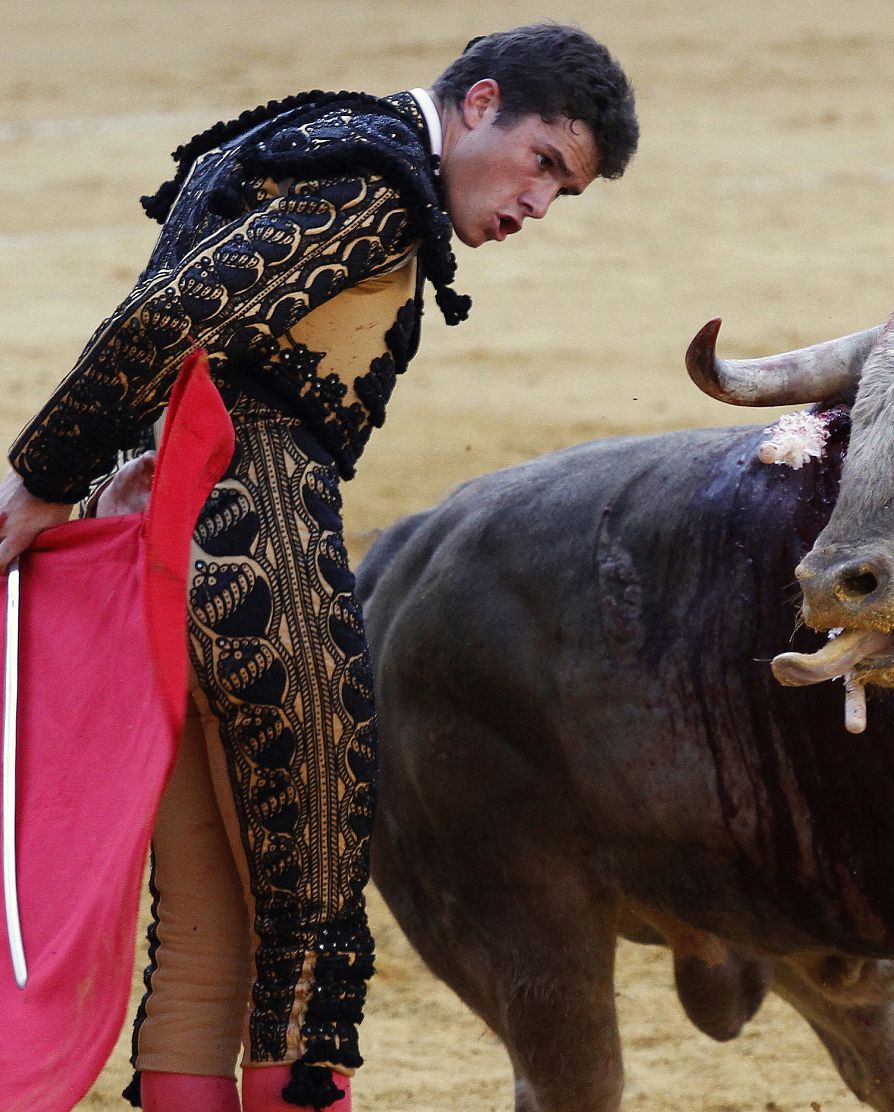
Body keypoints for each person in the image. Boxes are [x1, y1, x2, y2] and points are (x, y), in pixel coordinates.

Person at [0, 23, 638, 1112]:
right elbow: (171, 317)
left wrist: (86, 478)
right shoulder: (379, 183)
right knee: (306, 943)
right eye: (542, 162)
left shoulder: (308, 138)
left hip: (162, 562)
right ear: (481, 103)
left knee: (201, 935)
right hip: (268, 568)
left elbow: (177, 333)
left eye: (563, 192)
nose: (538, 203)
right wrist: (40, 478)